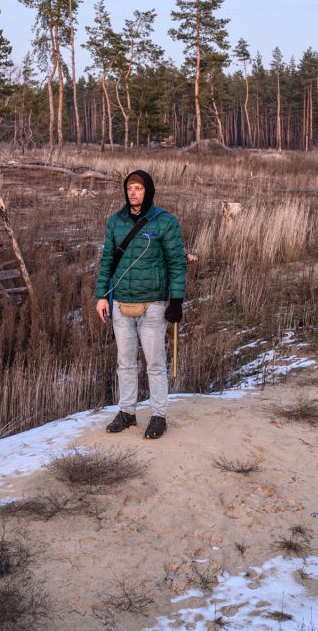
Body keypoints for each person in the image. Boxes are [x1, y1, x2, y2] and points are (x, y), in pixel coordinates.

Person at [95, 170, 186, 440]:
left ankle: (158, 416)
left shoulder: (165, 222)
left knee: (155, 364)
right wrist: (102, 296)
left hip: (153, 304)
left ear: (148, 191)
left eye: (138, 188)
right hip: (121, 303)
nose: (133, 192)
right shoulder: (115, 222)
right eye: (129, 188)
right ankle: (127, 412)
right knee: (125, 362)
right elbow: (107, 261)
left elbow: (176, 262)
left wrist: (176, 300)